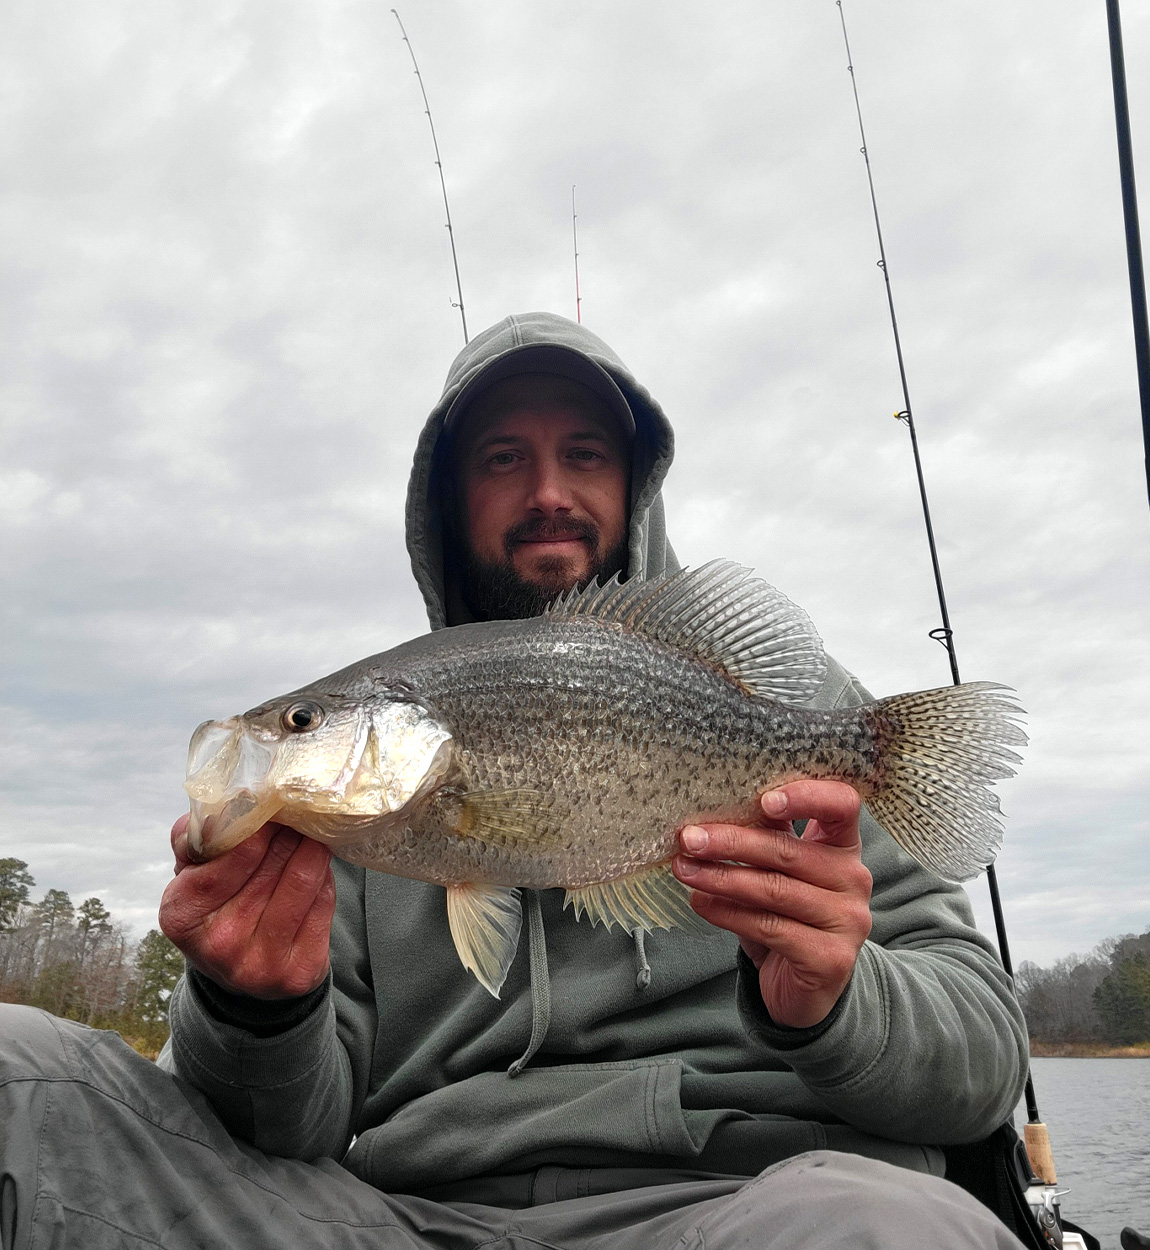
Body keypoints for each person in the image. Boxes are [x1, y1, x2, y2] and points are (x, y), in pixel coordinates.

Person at [0, 312, 1031, 1249]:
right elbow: (274, 1129)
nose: (548, 490)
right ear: (448, 500)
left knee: (872, 1228)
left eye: (584, 453)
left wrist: (837, 995)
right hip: (395, 1221)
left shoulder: (793, 711)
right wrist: (252, 1005)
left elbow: (985, 1065)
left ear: (634, 485)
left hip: (755, 1206)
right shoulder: (341, 829)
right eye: (504, 458)